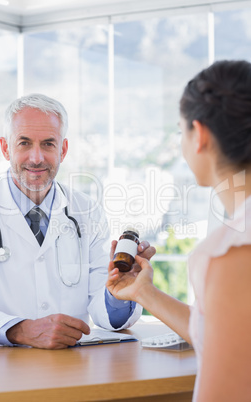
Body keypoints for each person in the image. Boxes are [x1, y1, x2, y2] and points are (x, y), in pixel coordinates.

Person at [107, 60, 251, 401]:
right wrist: (145, 293)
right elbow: (223, 334)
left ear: (198, 135)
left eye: (180, 130)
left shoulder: (231, 251)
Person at [0, 93, 155, 350]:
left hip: (71, 369)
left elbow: (104, 312)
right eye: (24, 143)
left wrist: (120, 292)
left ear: (63, 149)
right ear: (6, 147)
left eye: (49, 144)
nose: (36, 157)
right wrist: (19, 329)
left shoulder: (87, 211)